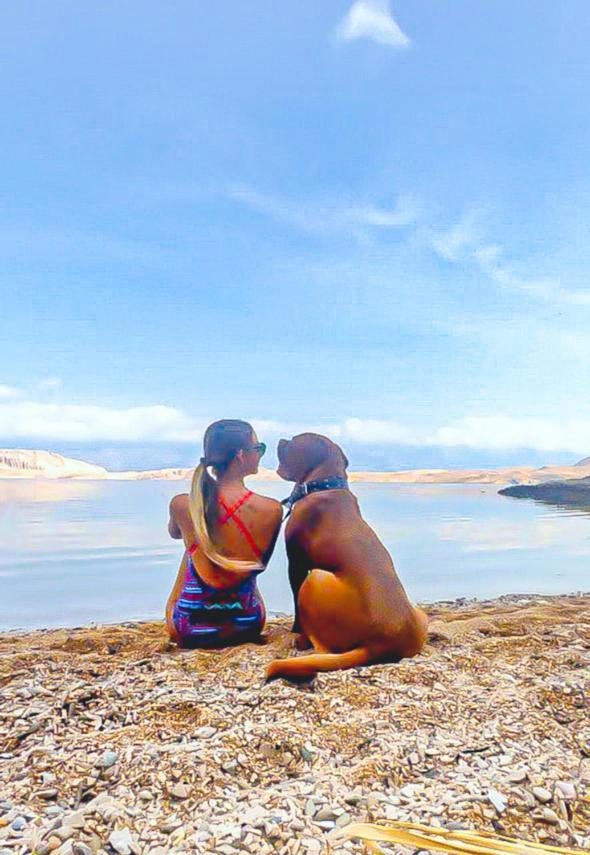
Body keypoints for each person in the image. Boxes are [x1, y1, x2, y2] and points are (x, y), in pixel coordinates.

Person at [166, 419, 283, 647]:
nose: (260, 455)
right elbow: (259, 565)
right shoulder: (272, 510)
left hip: (188, 629)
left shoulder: (182, 504)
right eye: (259, 448)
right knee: (206, 546)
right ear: (241, 455)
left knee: (194, 546)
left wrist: (201, 530)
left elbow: (174, 533)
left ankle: (188, 608)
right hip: (247, 624)